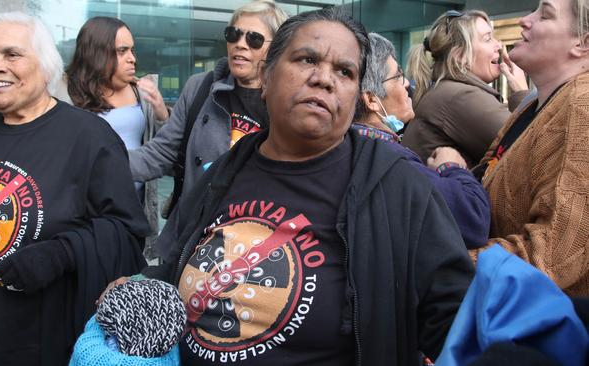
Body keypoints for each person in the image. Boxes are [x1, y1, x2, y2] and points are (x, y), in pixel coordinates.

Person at [106, 8, 474, 366]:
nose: (324, 78)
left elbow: (457, 323)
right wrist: (138, 284)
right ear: (266, 78)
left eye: (345, 71)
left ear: (358, 96)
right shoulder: (221, 175)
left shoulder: (397, 184)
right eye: (306, 60)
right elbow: (178, 268)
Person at [0, 12, 150, 365]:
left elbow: (128, 234)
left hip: (49, 346)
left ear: (46, 65)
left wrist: (61, 253)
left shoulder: (89, 138)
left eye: (12, 54)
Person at [128, 0, 288, 229]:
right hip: (191, 233)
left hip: (253, 239)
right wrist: (101, 163)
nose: (240, 45)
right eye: (233, 35)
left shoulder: (286, 102)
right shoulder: (200, 87)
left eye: (254, 39)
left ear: (277, 48)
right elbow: (161, 152)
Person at [472, 0, 589, 296]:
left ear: (582, 43)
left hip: (541, 328)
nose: (525, 20)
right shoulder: (533, 107)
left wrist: (447, 263)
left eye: (545, 14)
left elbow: (554, 255)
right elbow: (488, 173)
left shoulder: (582, 105)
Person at [352, 32, 490, 249]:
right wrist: (452, 167)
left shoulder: (346, 148)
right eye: (397, 76)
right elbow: (472, 219)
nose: (407, 83)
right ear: (372, 100)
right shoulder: (389, 162)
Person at [66, 16, 168, 258]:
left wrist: (162, 112)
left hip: (135, 210)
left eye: (132, 50)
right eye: (122, 51)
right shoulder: (66, 95)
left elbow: (168, 149)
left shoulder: (142, 90)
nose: (132, 58)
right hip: (88, 215)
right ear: (96, 53)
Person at [401, 9, 529, 167]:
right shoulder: (461, 96)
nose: (498, 45)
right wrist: (521, 92)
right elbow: (528, 148)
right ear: (459, 56)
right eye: (488, 39)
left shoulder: (449, 90)